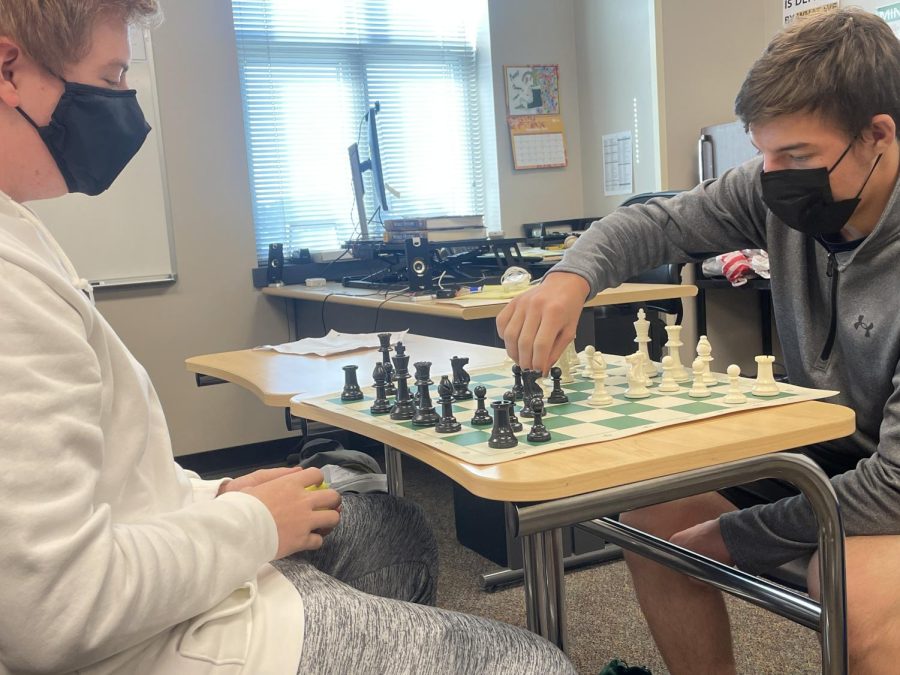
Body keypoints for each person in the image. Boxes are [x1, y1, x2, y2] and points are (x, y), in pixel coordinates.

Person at [0, 1, 576, 673]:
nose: (126, 102)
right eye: (114, 73)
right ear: (9, 68)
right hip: (135, 642)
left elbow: (111, 482)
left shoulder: (22, 226)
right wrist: (252, 523)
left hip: (151, 551)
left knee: (392, 532)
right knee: (537, 664)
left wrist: (213, 498)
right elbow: (55, 610)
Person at [498, 7, 900, 674]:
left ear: (879, 135)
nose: (772, 178)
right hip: (823, 451)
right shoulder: (778, 189)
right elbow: (653, 224)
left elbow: (890, 487)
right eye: (762, 152)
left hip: (888, 481)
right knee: (651, 510)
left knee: (855, 592)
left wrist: (733, 535)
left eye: (796, 156)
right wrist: (568, 278)